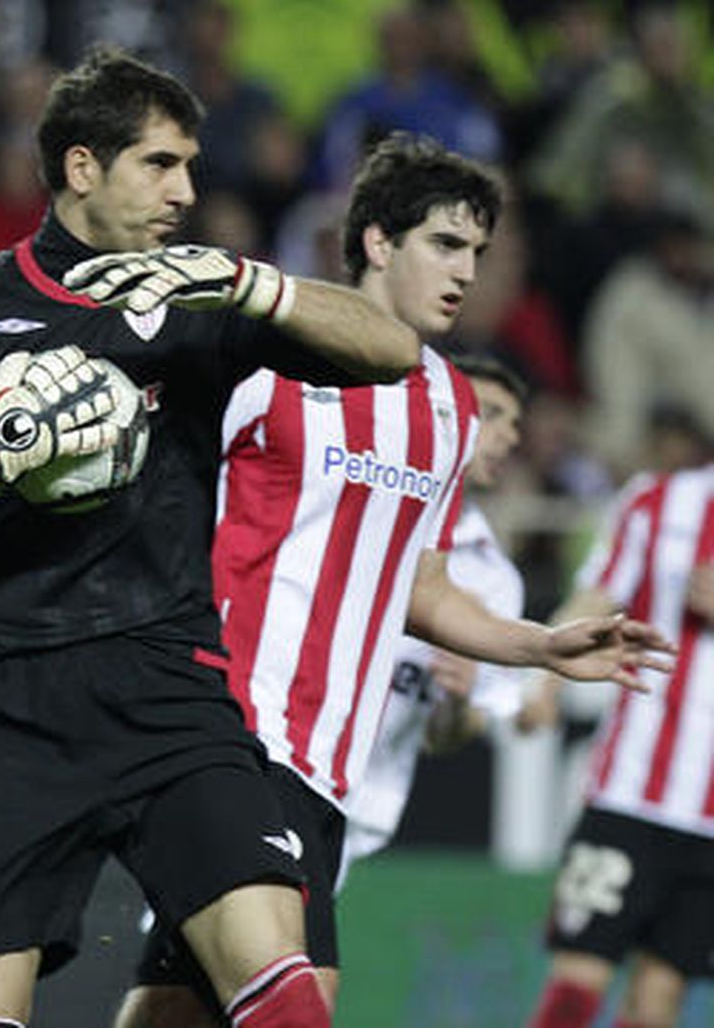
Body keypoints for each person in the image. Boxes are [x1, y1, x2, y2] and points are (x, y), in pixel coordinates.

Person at [0, 47, 428, 1028]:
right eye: (158, 164)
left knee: (289, 1000)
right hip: (6, 705)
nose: (185, 189)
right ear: (81, 167)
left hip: (168, 688)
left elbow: (393, 352)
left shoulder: (198, 303)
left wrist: (249, 283)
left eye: (189, 165)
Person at [108, 134, 674, 1027]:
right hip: (235, 734)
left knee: (180, 1007)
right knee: (300, 1004)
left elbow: (423, 586)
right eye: (445, 245)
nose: (466, 272)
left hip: (331, 769)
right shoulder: (259, 358)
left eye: (478, 254)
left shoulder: (446, 405)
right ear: (376, 241)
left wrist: (542, 645)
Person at [523, 462, 714, 1028]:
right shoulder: (660, 500)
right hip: (629, 793)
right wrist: (544, 677)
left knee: (659, 1001)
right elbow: (596, 596)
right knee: (576, 985)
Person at [340, 356, 530, 880]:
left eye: (515, 425)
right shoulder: (358, 506)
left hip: (362, 801)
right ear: (444, 415)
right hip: (279, 762)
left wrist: (459, 699)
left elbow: (448, 736)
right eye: (491, 414)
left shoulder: (494, 578)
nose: (510, 438)